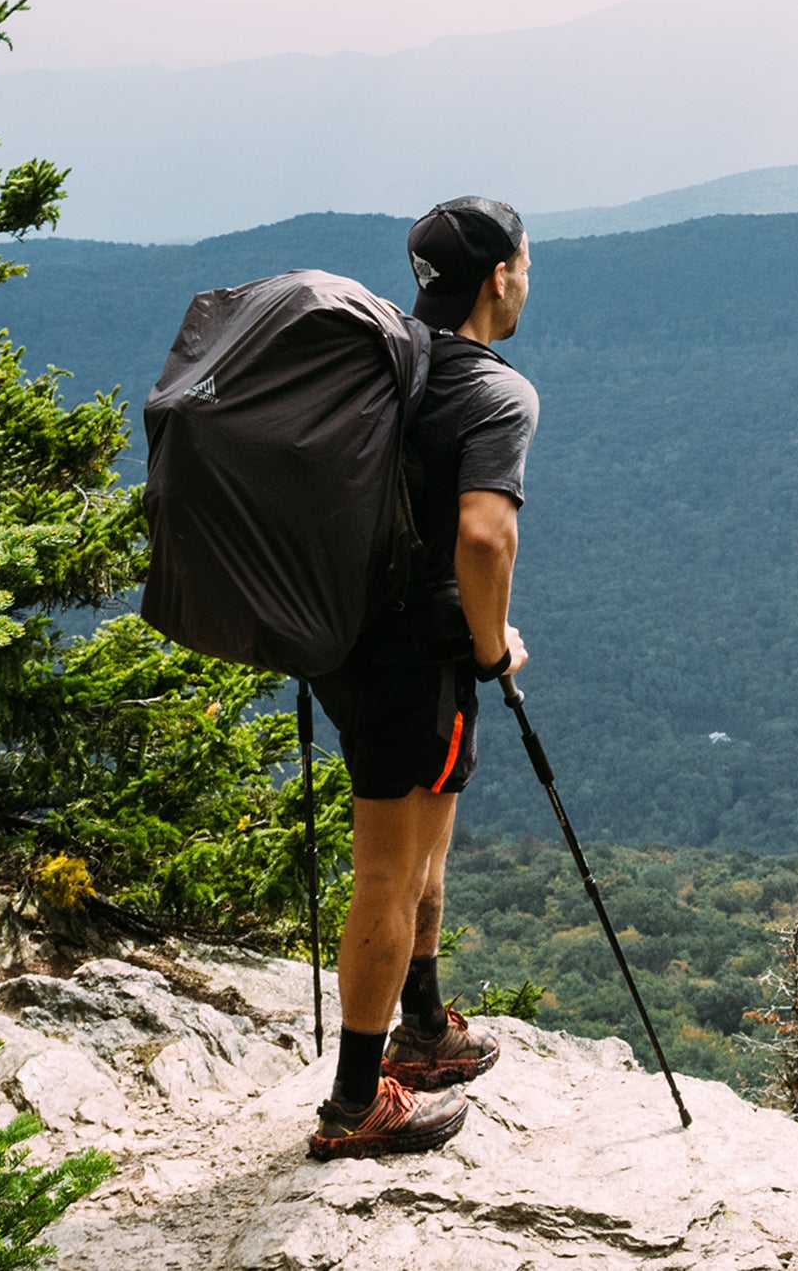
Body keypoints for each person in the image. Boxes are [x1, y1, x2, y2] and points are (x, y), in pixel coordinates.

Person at [307, 196, 538, 1159]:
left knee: (425, 850)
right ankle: (356, 1103)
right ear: (499, 277)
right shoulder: (493, 392)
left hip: (346, 637)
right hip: (415, 656)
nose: (527, 281)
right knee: (389, 874)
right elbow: (485, 534)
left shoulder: (380, 363)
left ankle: (425, 1029)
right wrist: (492, 647)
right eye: (526, 265)